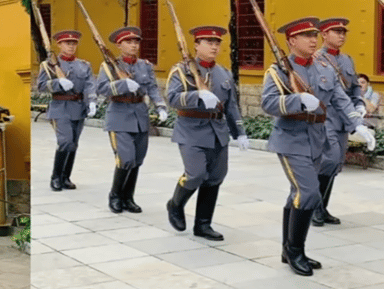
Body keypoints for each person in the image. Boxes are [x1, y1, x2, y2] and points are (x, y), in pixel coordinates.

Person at [260, 17, 374, 276]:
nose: (313, 40)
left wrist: (357, 122)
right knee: (309, 193)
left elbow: (340, 98)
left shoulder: (324, 67)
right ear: (291, 41)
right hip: (291, 138)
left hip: (317, 137)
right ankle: (297, 251)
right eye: (307, 36)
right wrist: (296, 100)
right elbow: (268, 103)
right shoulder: (278, 70)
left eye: (314, 35)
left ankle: (287, 249)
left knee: (297, 194)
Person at [165, 25, 249, 241]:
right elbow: (173, 98)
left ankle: (203, 224)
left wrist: (239, 131)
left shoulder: (223, 73)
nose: (213, 46)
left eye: (217, 42)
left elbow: (230, 106)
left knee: (215, 177)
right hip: (191, 130)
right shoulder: (181, 70)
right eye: (208, 42)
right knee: (196, 174)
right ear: (196, 45)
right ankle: (175, 204)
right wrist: (197, 96)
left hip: (217, 130)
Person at [95, 26, 169, 214]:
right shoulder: (108, 66)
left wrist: (160, 105)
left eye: (136, 42)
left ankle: (128, 197)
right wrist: (122, 84)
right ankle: (115, 195)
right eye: (129, 42)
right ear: (119, 45)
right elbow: (102, 89)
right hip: (119, 116)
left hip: (140, 115)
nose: (134, 45)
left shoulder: (145, 66)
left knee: (137, 159)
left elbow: (152, 87)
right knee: (125, 159)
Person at [313, 18, 367, 227]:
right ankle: (314, 207)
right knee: (329, 160)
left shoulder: (347, 60)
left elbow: (353, 87)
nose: (342, 35)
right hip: (325, 117)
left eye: (344, 32)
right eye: (336, 32)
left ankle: (322, 207)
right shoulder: (316, 59)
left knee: (335, 165)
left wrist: (359, 104)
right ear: (324, 35)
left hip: (345, 118)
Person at [36, 30, 96, 191]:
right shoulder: (49, 65)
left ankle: (65, 177)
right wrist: (58, 83)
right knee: (65, 141)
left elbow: (90, 84)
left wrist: (92, 101)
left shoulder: (83, 65)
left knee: (73, 144)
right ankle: (55, 177)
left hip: (78, 108)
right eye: (67, 43)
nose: (71, 46)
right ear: (59, 45)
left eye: (74, 43)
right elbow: (41, 86)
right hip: (60, 108)